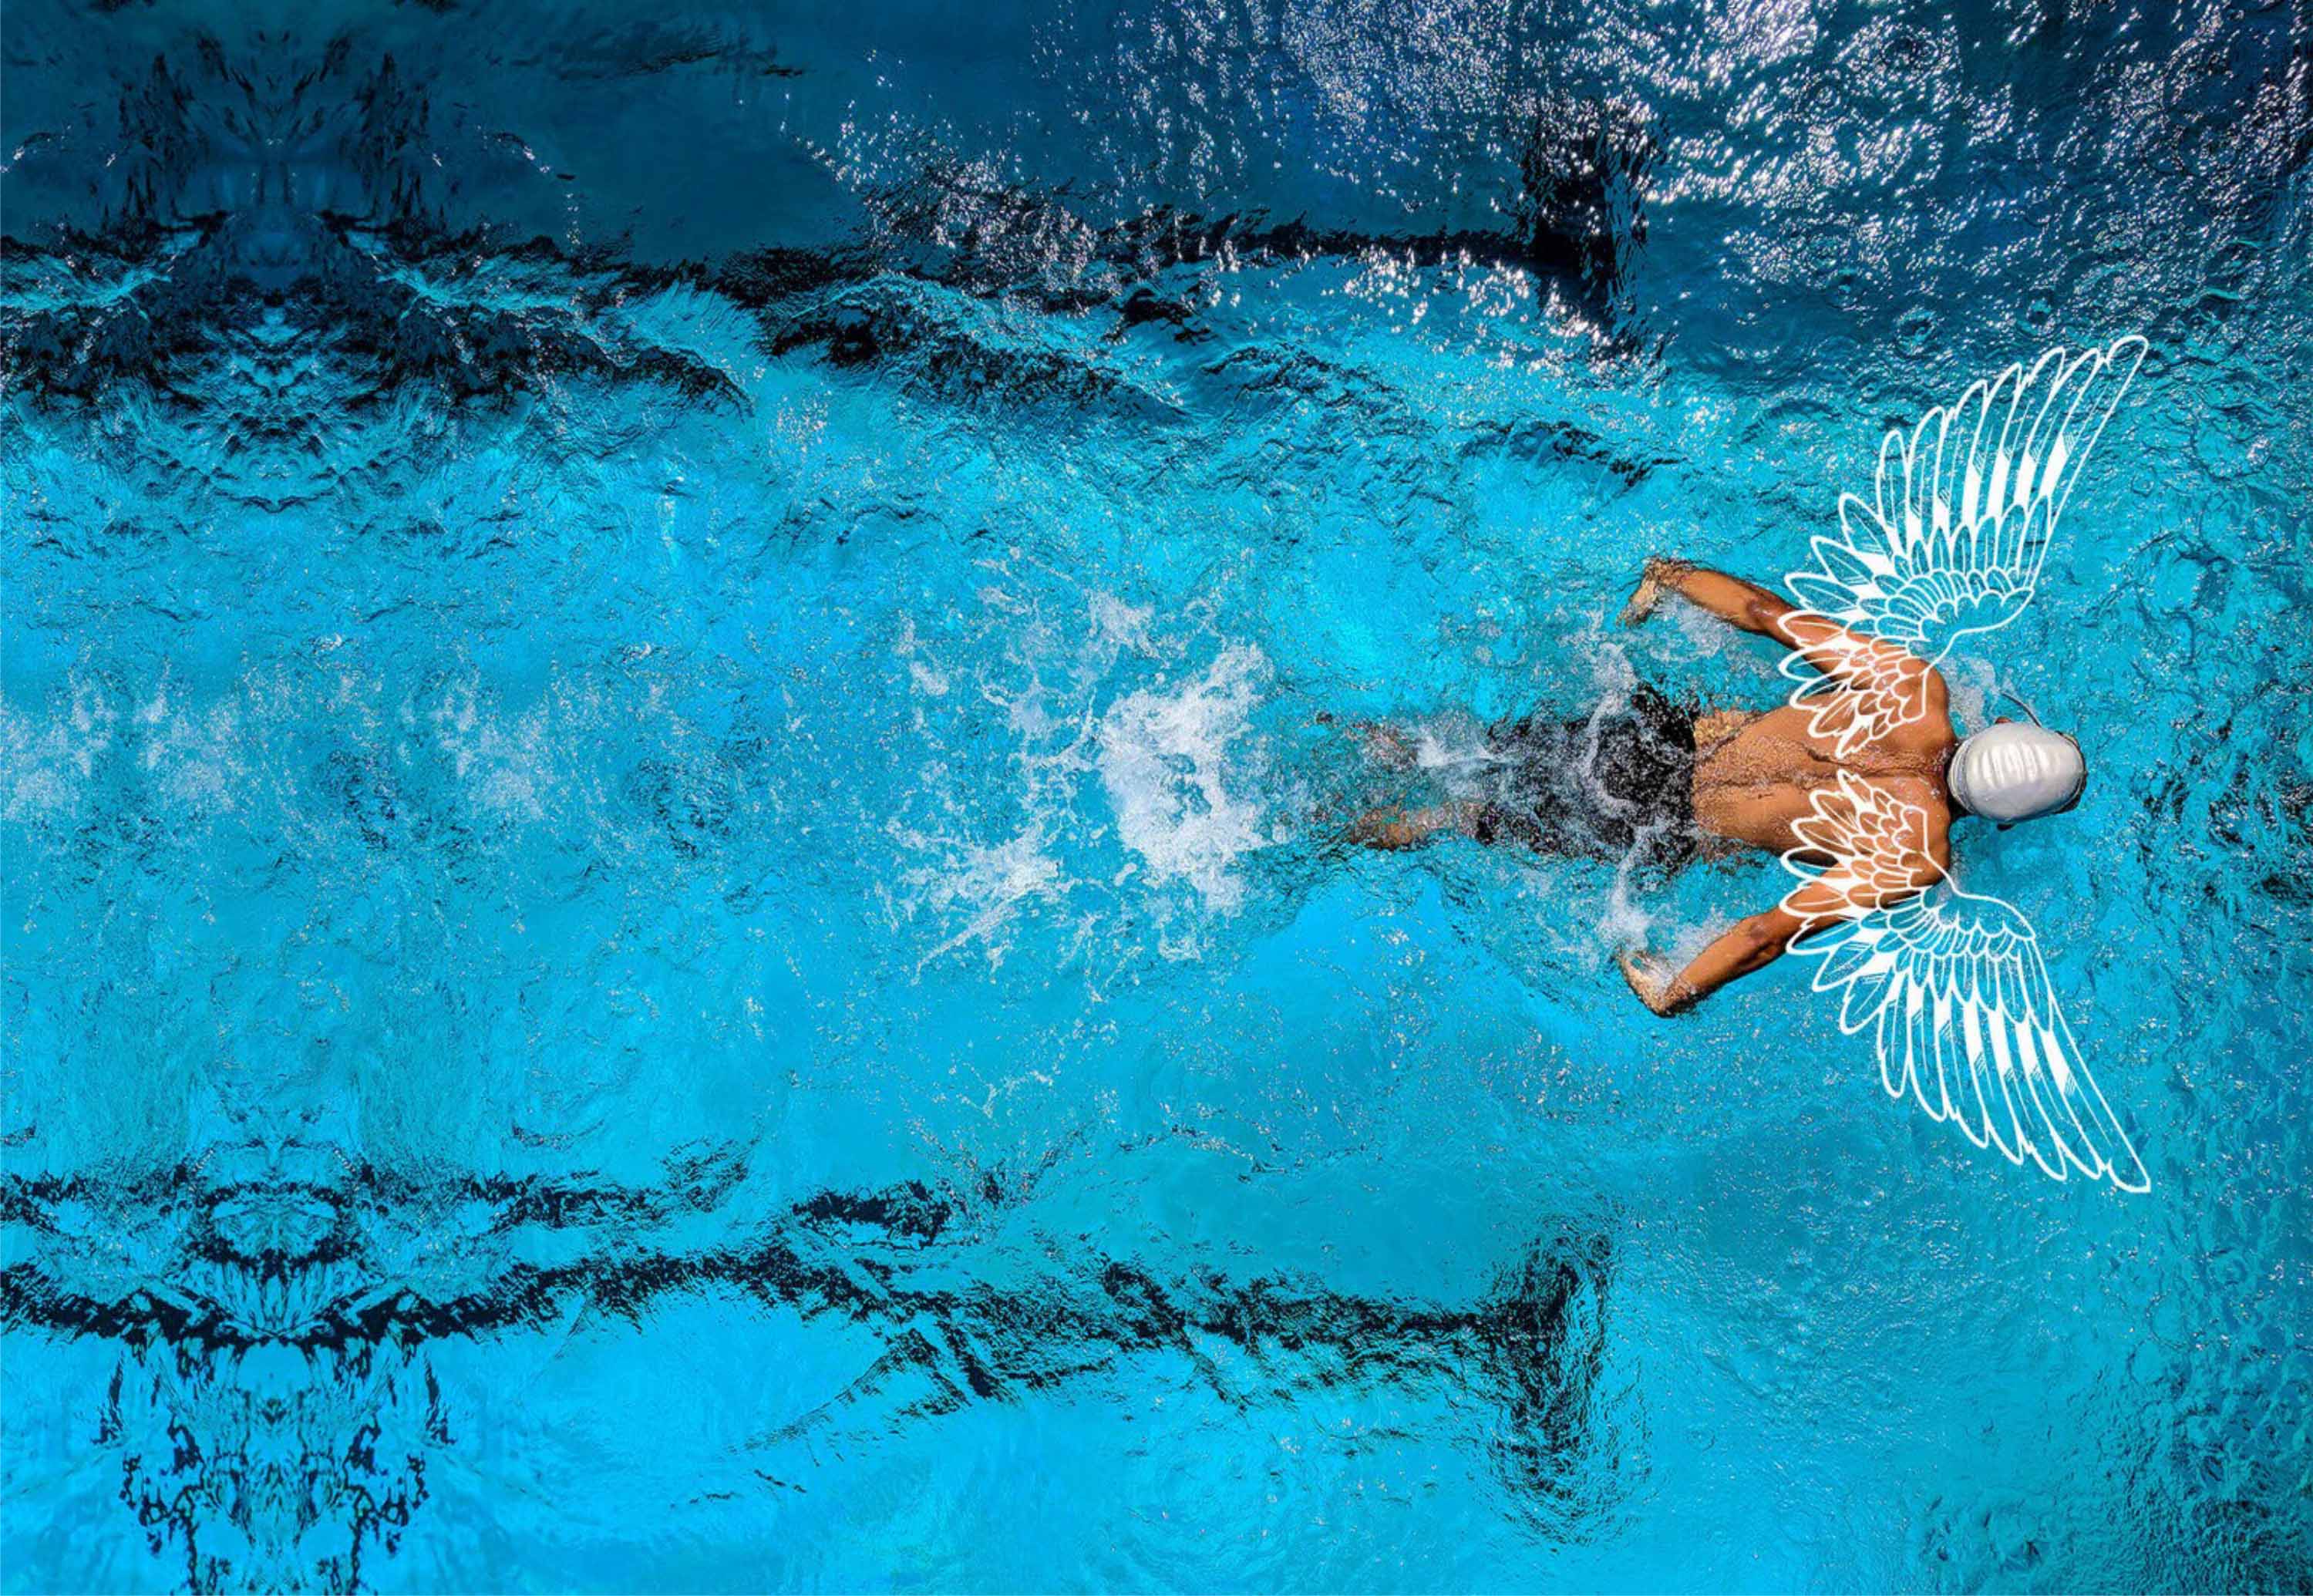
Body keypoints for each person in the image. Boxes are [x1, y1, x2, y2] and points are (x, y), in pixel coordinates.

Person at [1344, 557, 2086, 1015]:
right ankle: (1330, 833)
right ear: (2008, 821)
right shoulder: (1916, 856)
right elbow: (1767, 933)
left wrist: (1670, 578)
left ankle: (1352, 737)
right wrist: (1675, 993)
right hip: (1656, 825)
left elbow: (1767, 615)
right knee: (1460, 818)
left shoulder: (1913, 684)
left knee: (1461, 747)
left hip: (1651, 735)